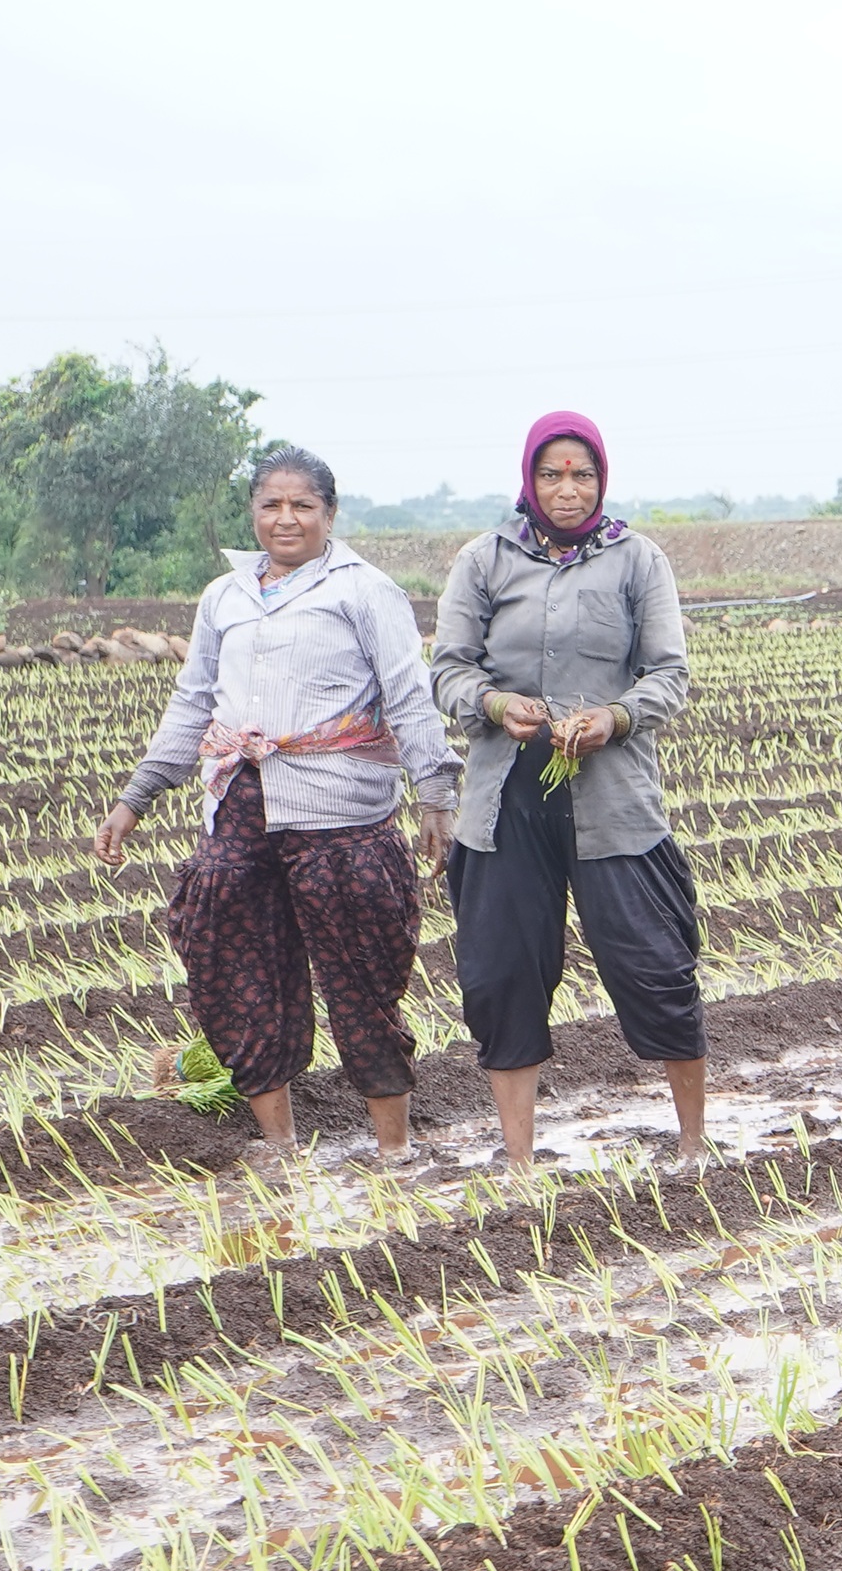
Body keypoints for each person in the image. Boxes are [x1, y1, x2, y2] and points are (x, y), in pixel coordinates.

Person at [92, 447, 455, 1172]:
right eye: (271, 505)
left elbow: (409, 694)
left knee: (361, 978)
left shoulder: (364, 590)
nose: (285, 518)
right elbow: (194, 702)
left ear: (329, 514)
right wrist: (138, 794)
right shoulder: (224, 596)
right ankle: (280, 1145)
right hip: (242, 801)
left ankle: (394, 1148)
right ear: (253, 512)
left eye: (302, 506)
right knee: (229, 951)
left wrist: (435, 793)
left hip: (340, 807)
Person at [430, 411, 703, 1169]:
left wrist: (615, 717)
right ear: (529, 479)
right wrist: (494, 706)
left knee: (655, 964)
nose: (567, 489)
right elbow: (448, 668)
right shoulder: (484, 560)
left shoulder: (637, 560)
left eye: (582, 474)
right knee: (502, 974)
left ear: (602, 480)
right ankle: (518, 1159)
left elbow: (670, 676)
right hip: (506, 799)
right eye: (551, 473)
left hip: (613, 800)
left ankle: (691, 1145)